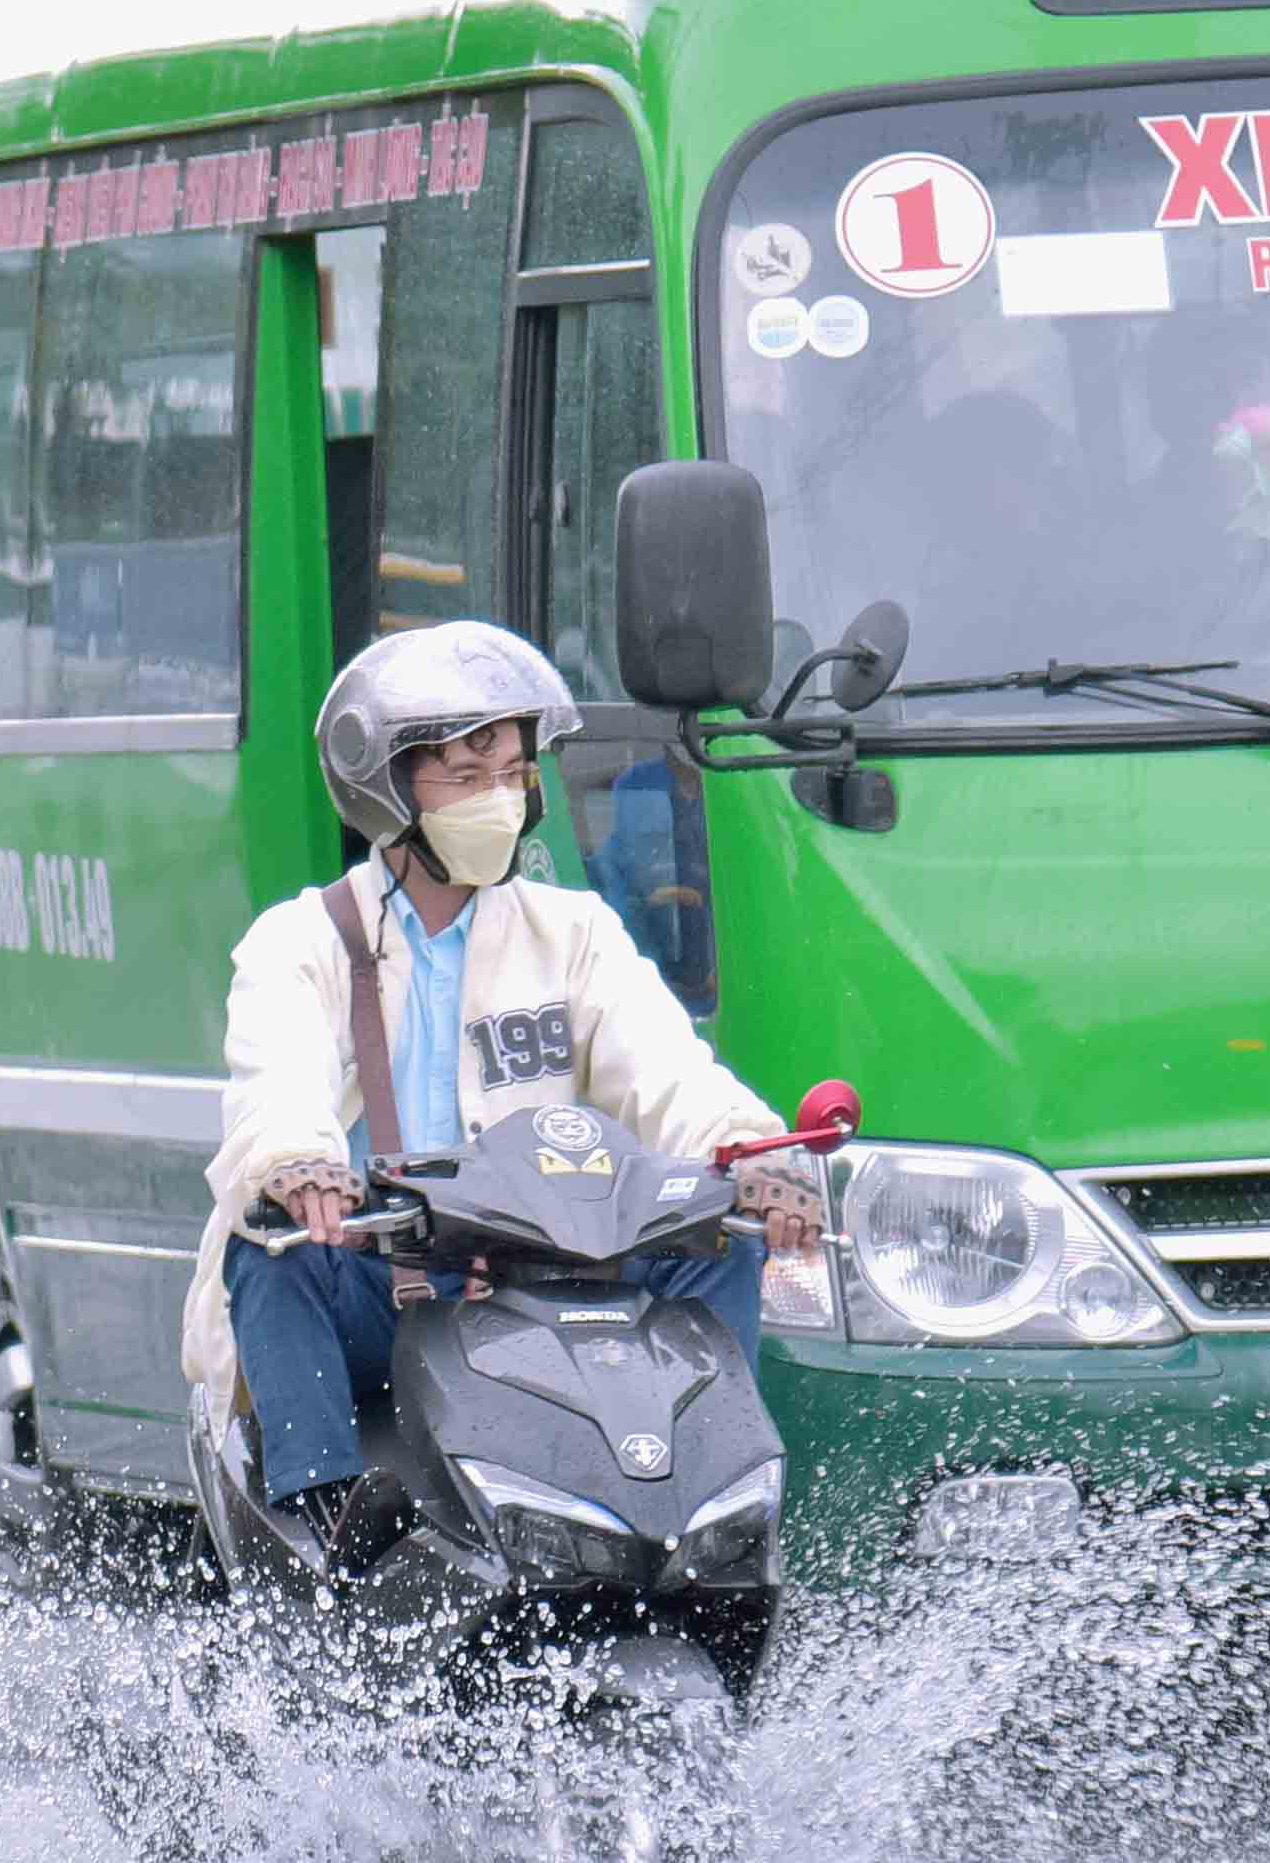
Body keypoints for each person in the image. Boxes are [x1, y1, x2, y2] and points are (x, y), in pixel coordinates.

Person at [183, 623, 826, 1576]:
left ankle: (712, 1505)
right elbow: (277, 1076)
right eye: (467, 773)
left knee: (721, 1246)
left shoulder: (573, 930)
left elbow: (667, 1069)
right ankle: (323, 1518)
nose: (501, 797)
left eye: (515, 773)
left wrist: (754, 1154)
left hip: (550, 1275)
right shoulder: (301, 941)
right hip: (387, 1280)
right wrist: (300, 1165)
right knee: (266, 1257)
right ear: (387, 784)